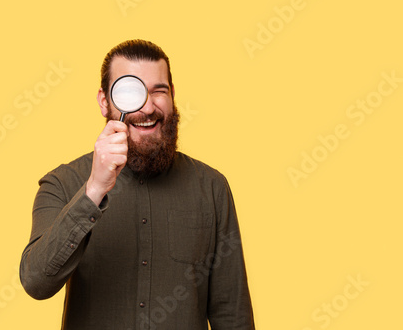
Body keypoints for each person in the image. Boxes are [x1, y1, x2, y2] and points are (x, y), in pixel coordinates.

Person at [19, 39, 255, 330]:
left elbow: (232, 316)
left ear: (172, 98)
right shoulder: (62, 183)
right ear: (105, 101)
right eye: (131, 92)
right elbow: (36, 282)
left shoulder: (212, 188)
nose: (147, 106)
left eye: (159, 91)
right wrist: (94, 189)